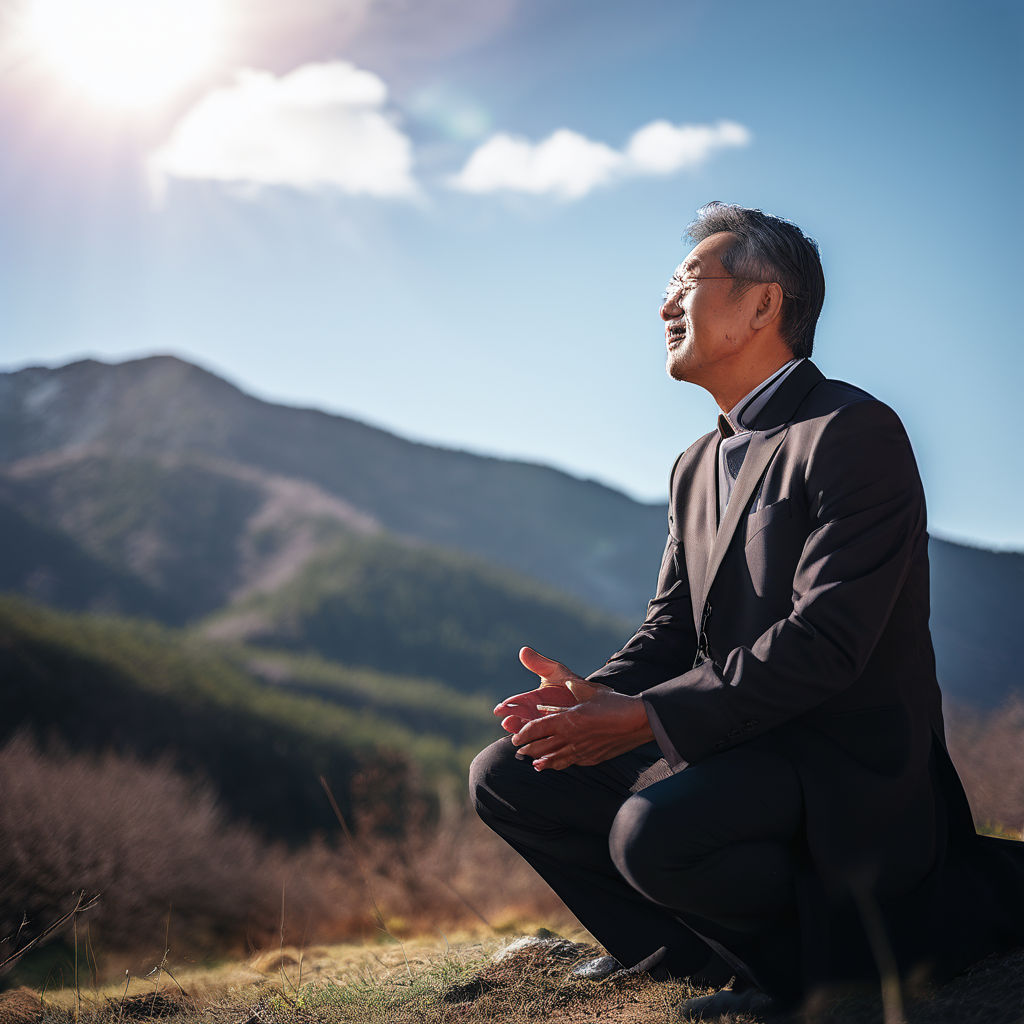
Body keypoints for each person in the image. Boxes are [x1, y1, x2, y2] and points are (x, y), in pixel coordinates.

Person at [469, 202, 1024, 1017]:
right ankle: (689, 956)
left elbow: (828, 641)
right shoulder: (696, 464)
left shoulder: (852, 430)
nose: (664, 306)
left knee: (652, 832)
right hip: (734, 744)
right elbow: (670, 629)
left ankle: (812, 982)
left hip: (838, 763)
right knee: (514, 776)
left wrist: (642, 720)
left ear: (765, 304)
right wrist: (591, 699)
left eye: (687, 283)